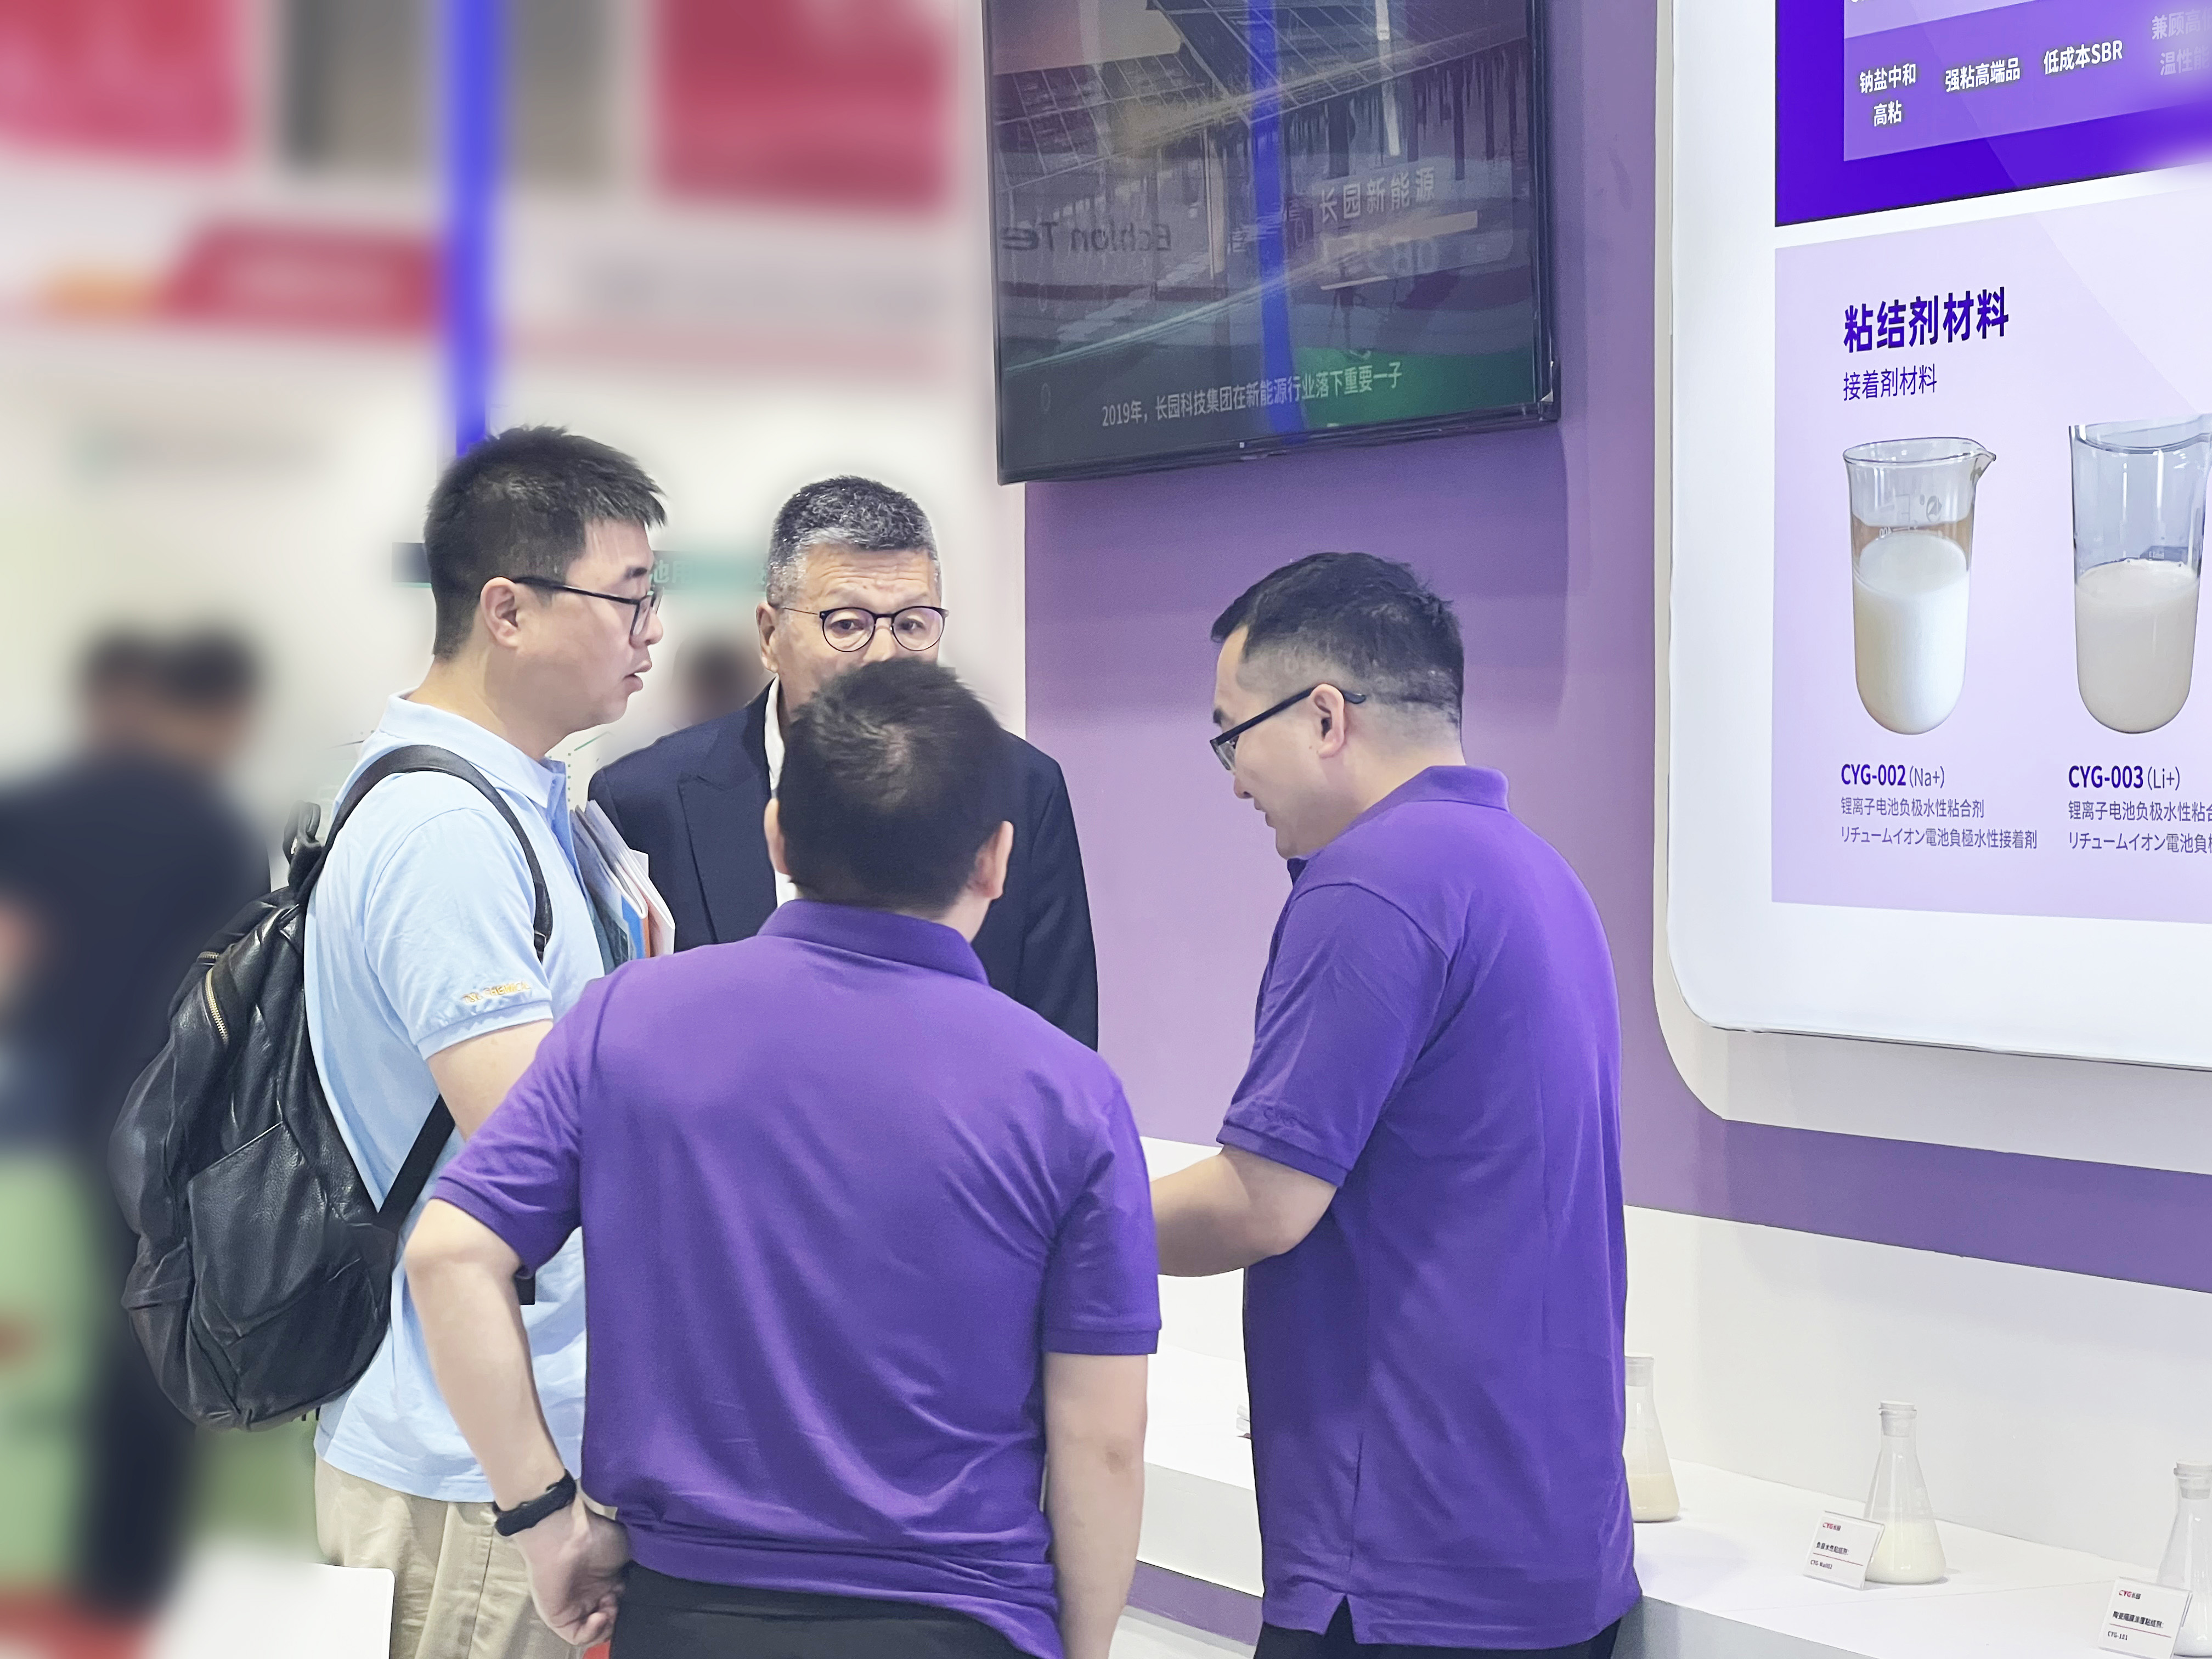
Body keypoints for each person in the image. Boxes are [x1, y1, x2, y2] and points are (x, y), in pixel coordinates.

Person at [407, 659, 1156, 1659]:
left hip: (682, 1615)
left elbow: (449, 1255)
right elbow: (1103, 1441)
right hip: (963, 1618)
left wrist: (544, 1521)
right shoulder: (1069, 1094)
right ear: (995, 858)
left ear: (776, 836)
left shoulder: (628, 1020)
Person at [1149, 554, 1637, 1658]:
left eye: (1232, 735)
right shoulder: (1540, 876)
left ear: (1325, 716)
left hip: (1407, 1564)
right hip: (1556, 1553)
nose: (1233, 780)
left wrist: (1053, 1224)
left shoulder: (1372, 882)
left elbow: (1265, 1201)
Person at [304, 426, 665, 1659]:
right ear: (506, 609)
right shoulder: (443, 832)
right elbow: (538, 1160)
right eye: (628, 596)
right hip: (473, 1472)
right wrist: (538, 1502)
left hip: (522, 1439)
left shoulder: (534, 801)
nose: (652, 632)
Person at [589, 476, 1099, 1046]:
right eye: (847, 624)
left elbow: (1058, 1042)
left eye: (912, 624)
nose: (884, 656)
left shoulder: (1021, 789)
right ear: (770, 635)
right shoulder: (648, 803)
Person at [0, 627, 268, 1613]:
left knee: (65, 1323)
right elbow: (238, 995)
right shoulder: (215, 828)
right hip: (169, 1112)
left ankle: (89, 1554)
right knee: (151, 1326)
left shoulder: (38, 808)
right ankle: (128, 1564)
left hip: (64, 1097)